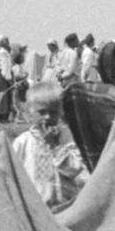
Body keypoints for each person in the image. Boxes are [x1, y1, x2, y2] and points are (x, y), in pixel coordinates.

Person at [12, 80, 87, 212]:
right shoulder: (23, 142)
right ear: (30, 112)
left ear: (60, 113)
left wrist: (55, 146)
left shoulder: (67, 138)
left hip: (63, 206)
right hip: (33, 207)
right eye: (42, 112)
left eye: (53, 112)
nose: (47, 117)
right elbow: (13, 173)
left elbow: (74, 169)